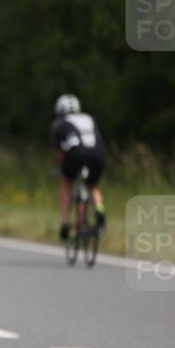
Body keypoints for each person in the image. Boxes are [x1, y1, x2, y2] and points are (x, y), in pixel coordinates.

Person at [50, 94, 106, 240]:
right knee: (92, 185)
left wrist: (65, 168)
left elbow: (59, 154)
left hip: (76, 154)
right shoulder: (89, 118)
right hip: (98, 153)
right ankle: (100, 211)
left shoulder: (59, 123)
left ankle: (66, 223)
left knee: (66, 184)